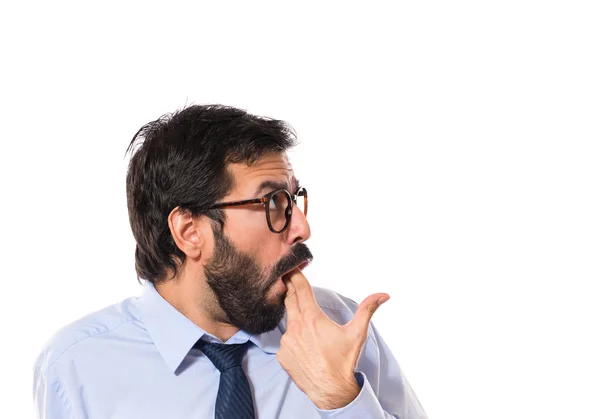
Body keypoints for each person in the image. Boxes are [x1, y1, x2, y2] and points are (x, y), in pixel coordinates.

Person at [32, 104, 427, 418]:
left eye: (294, 198)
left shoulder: (342, 328)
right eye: (273, 202)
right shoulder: (77, 366)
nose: (302, 228)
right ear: (190, 232)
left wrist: (341, 399)